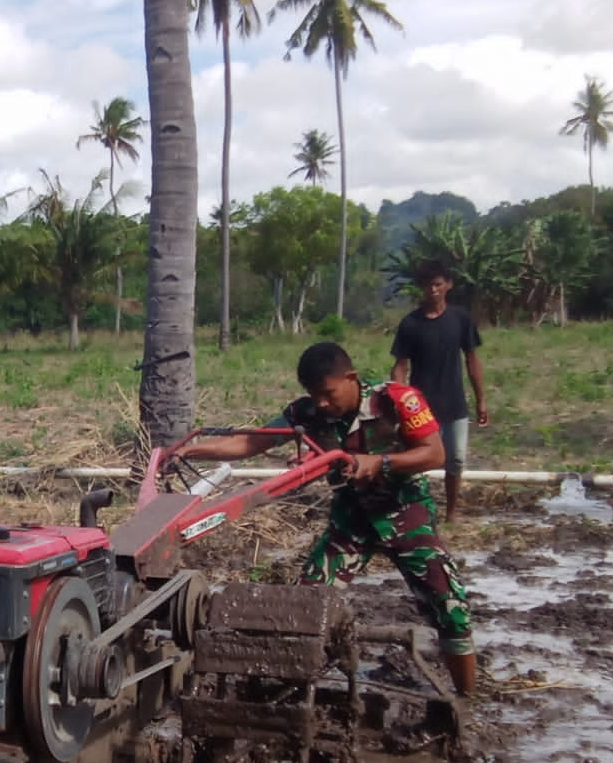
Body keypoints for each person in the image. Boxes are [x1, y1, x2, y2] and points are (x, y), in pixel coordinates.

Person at [177, 341, 477, 697]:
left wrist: (378, 463)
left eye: (328, 393)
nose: (321, 403)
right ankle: (292, 692)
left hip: (405, 513)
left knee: (449, 605)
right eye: (313, 394)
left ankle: (465, 700)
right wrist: (190, 449)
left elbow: (434, 453)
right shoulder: (306, 413)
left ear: (350, 378)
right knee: (307, 605)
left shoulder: (397, 400)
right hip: (351, 521)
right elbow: (250, 443)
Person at [390, 258, 487, 524]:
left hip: (455, 405)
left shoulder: (460, 319)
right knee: (419, 462)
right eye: (427, 285)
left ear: (448, 285)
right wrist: (399, 399)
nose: (432, 290)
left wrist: (481, 400)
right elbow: (400, 366)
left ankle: (452, 513)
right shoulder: (411, 324)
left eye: (437, 284)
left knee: (455, 460)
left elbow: (472, 360)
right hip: (421, 409)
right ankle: (418, 512)